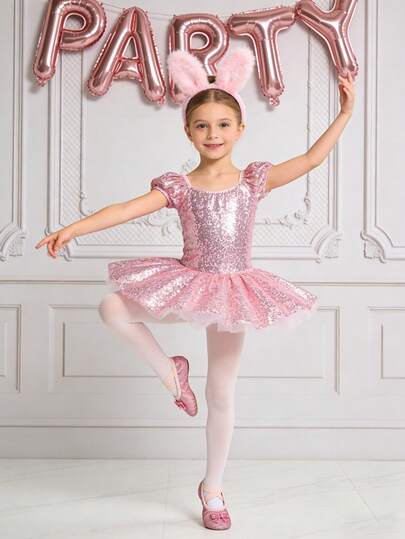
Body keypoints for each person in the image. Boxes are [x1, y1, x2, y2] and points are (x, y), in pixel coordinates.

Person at [35, 46, 355, 530]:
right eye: (202, 126)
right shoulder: (179, 186)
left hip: (232, 290)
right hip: (187, 282)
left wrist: (346, 112)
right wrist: (72, 229)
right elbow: (125, 209)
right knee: (112, 307)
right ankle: (171, 372)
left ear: (240, 129)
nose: (213, 134)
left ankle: (213, 488)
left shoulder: (253, 181)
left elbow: (311, 159)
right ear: (188, 131)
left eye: (223, 124)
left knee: (221, 391)